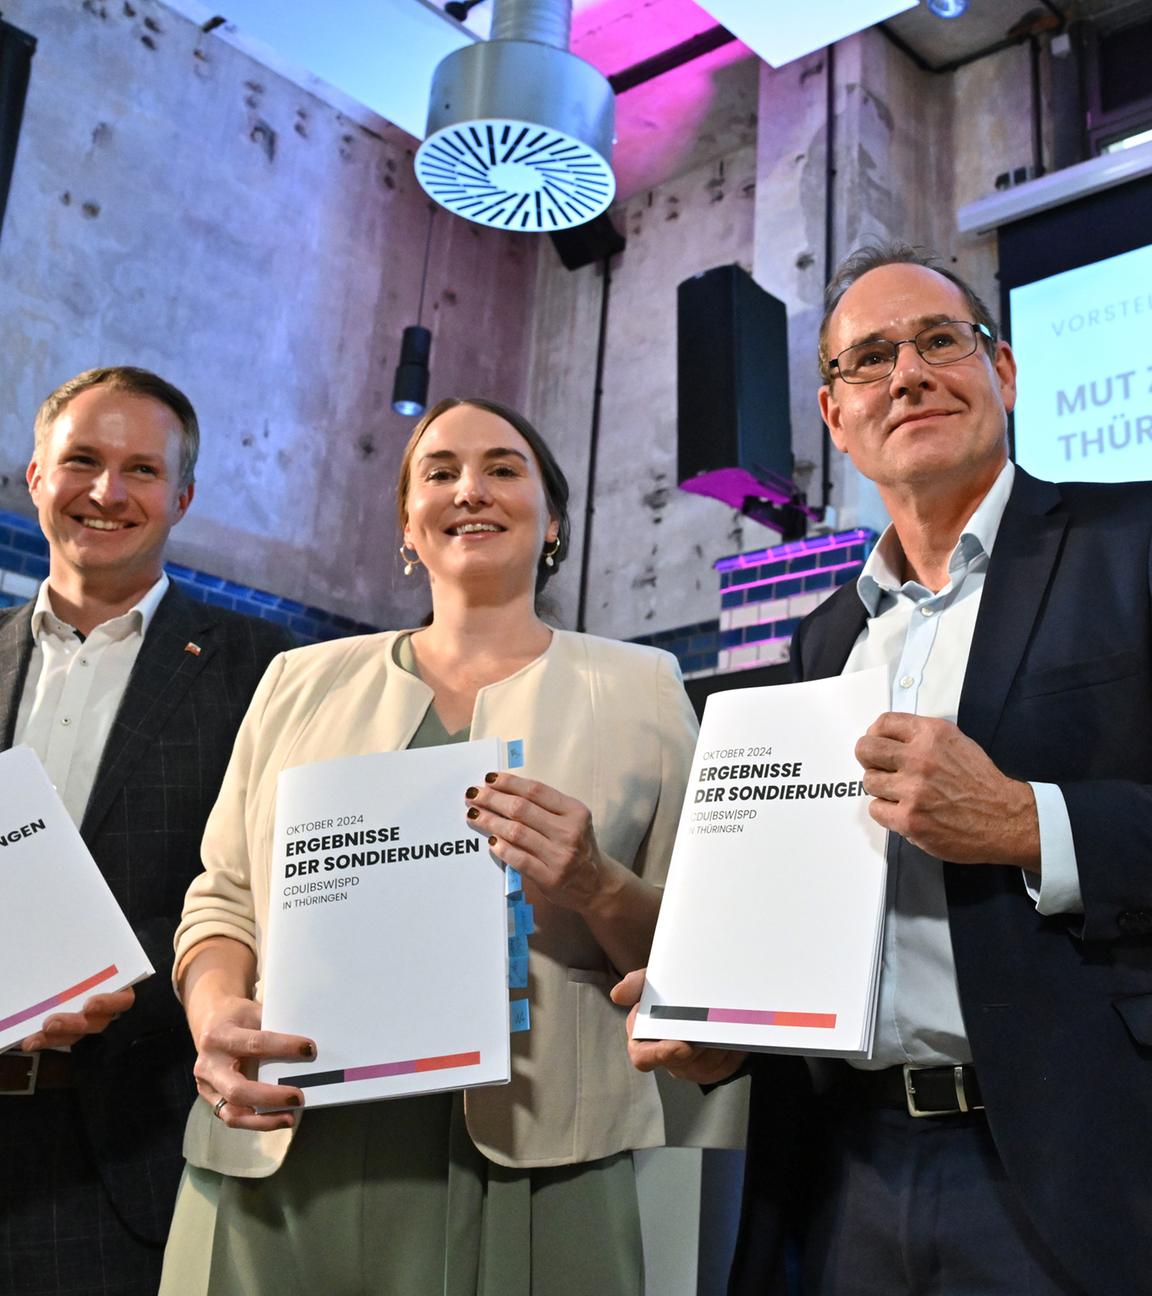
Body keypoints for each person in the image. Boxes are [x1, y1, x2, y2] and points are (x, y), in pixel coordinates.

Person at [616, 245, 1152, 1296]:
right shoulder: (821, 645)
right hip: (845, 1173)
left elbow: (1042, 827)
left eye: (938, 340)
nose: (905, 373)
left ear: (1002, 372)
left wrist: (1030, 824)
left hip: (1082, 1166)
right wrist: (720, 1026)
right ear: (834, 416)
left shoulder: (1130, 542)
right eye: (869, 359)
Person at [160, 395, 705, 1296]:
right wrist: (215, 1016)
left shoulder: (641, 688)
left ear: (554, 519)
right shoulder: (298, 681)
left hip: (538, 1152)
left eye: (502, 467)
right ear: (408, 524)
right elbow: (223, 896)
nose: (469, 490)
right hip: (296, 1138)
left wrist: (597, 883)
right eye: (439, 472)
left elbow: (700, 953)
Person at [0, 367, 293, 1296]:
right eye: (81, 459)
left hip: (131, 1150)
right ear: (35, 476)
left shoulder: (262, 671)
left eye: (140, 469)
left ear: (182, 497)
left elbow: (272, 892)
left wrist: (129, 984)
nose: (107, 492)